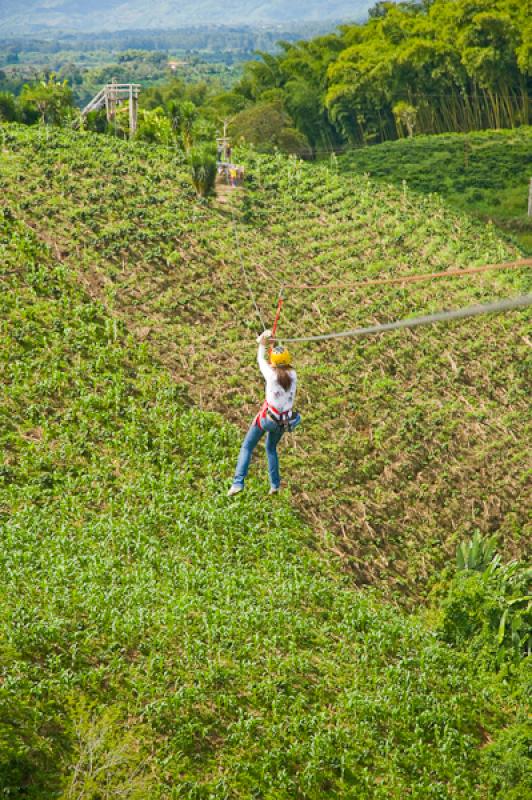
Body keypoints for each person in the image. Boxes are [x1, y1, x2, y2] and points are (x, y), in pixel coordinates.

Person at [228, 330, 301, 496]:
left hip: (268, 419)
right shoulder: (293, 375)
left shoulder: (271, 375)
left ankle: (238, 483)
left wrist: (262, 343)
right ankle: (275, 485)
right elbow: (281, 364)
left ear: (273, 363)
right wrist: (273, 345)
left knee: (247, 447)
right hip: (283, 422)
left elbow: (260, 360)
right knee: (271, 449)